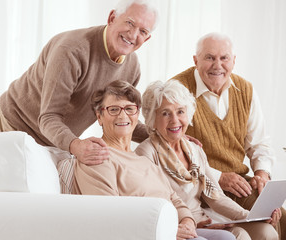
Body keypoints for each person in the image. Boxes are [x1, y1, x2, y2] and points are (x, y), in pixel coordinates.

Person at [0, 0, 158, 164]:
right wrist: (76, 145)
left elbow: (121, 118)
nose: (133, 34)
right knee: (23, 188)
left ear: (147, 38)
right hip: (16, 123)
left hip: (56, 136)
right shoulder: (71, 51)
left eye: (143, 31)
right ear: (112, 18)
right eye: (129, 23)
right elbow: (49, 117)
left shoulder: (132, 67)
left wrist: (162, 135)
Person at [73, 80, 237, 240]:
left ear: (137, 115)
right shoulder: (97, 157)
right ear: (99, 116)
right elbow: (110, 215)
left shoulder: (142, 160)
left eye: (130, 109)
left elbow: (174, 199)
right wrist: (165, 230)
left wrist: (187, 221)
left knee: (226, 237)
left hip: (169, 227)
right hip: (148, 232)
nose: (123, 115)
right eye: (114, 109)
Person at [135, 80, 280, 240]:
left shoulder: (194, 150)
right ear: (152, 119)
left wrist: (251, 216)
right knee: (240, 236)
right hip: (179, 226)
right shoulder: (146, 153)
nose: (174, 120)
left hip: (206, 221)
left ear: (188, 114)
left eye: (180, 111)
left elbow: (216, 197)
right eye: (165, 113)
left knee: (266, 231)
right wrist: (191, 224)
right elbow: (154, 205)